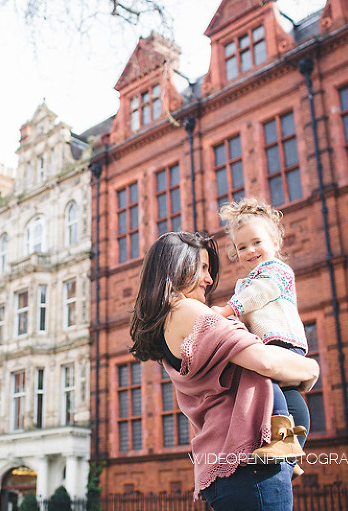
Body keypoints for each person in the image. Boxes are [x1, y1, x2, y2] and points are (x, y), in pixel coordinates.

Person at [129, 231, 318, 510]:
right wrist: (309, 368)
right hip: (251, 464)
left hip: (232, 465)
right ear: (179, 266)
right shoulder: (188, 310)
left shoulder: (168, 323)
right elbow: (264, 361)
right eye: (202, 268)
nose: (208, 279)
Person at [211, 198, 310, 474]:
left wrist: (228, 309)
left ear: (276, 242)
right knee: (287, 394)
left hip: (281, 340)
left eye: (257, 242)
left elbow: (259, 294)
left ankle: (286, 443)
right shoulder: (247, 281)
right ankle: (292, 449)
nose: (250, 250)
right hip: (270, 341)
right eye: (242, 246)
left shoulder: (275, 271)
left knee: (264, 381)